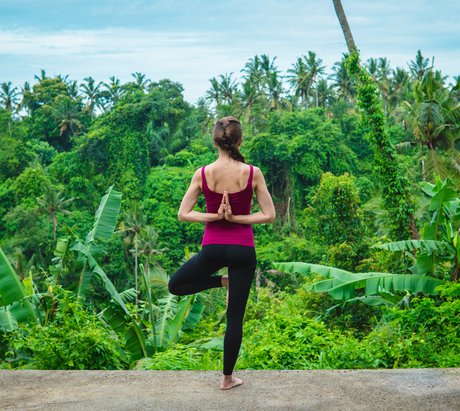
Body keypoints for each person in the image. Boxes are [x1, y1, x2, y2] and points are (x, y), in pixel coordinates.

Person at [168, 116, 276, 390]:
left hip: (213, 249)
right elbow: (269, 215)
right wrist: (236, 218)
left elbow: (183, 214)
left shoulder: (203, 173)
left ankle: (220, 281)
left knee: (175, 285)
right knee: (234, 318)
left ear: (215, 141)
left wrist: (215, 217)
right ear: (239, 141)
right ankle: (227, 378)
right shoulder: (253, 172)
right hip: (243, 251)